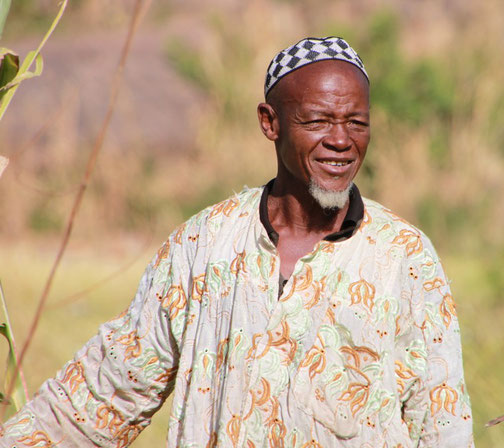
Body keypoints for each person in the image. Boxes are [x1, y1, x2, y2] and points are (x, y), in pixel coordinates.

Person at [0, 36, 474, 447]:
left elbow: (442, 422)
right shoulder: (204, 245)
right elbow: (107, 394)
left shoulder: (404, 258)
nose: (341, 140)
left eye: (357, 122)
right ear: (270, 123)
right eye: (318, 121)